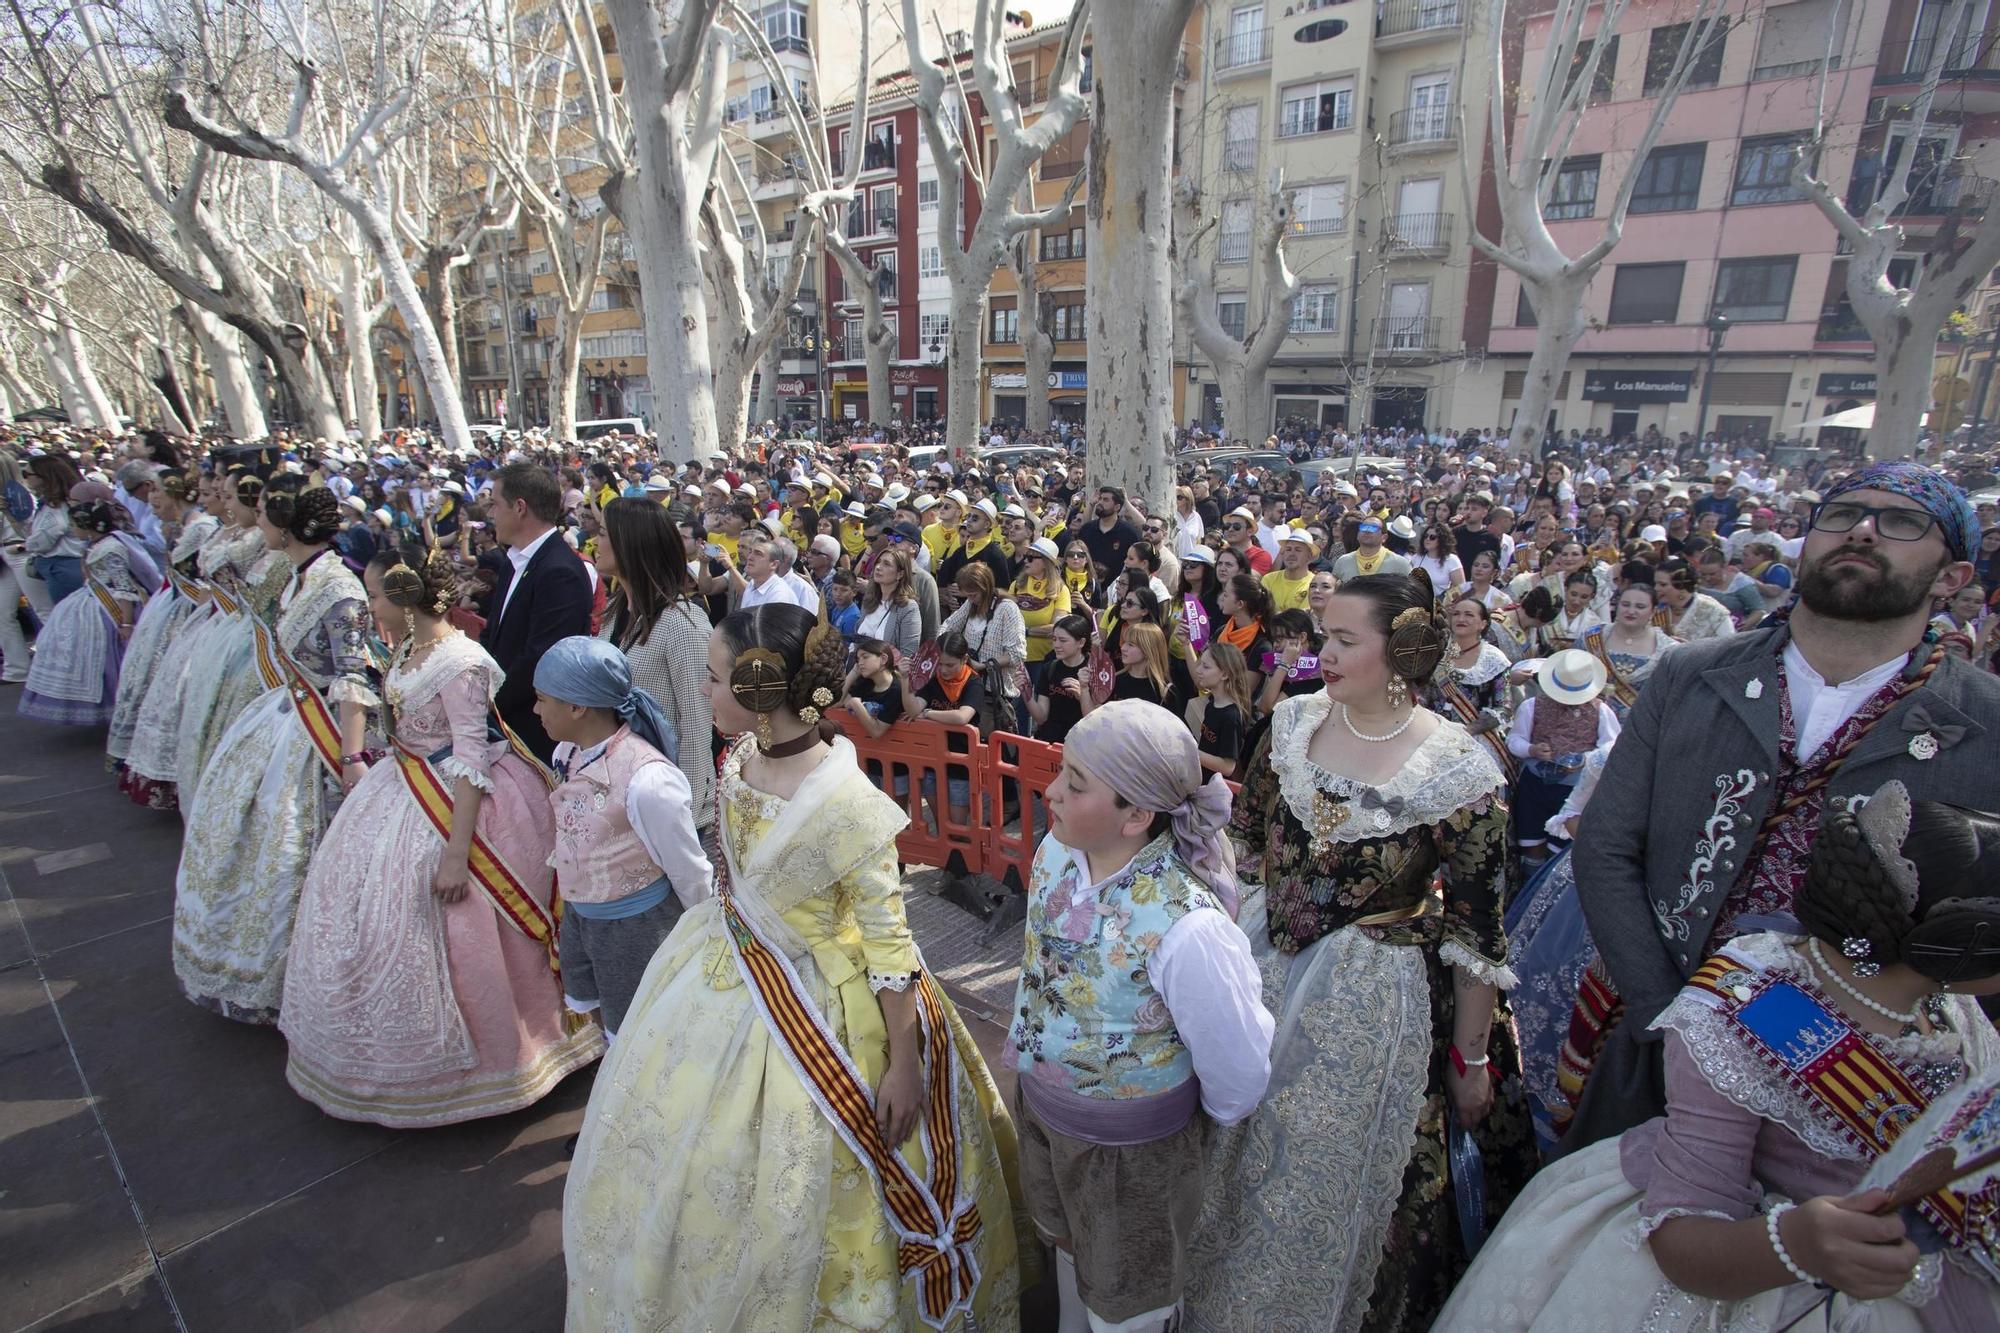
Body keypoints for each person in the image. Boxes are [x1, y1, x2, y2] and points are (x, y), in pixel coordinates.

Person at [563, 602, 1025, 1330]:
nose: (704, 693)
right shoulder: (741, 757)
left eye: (714, 679)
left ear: (755, 691)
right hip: (731, 963)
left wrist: (903, 1065)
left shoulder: (850, 806)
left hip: (831, 1010)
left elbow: (890, 947)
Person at [1437, 782, 2000, 1330]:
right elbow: (1686, 1234)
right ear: (1954, 941)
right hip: (1756, 1271)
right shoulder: (1748, 1004)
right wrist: (1797, 1244)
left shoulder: (1950, 1009)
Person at [1568, 461, 2000, 1152]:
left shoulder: (1985, 723)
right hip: (1659, 1046)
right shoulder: (1693, 673)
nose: (1861, 529)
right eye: (1843, 512)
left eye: (1900, 522)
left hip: (1864, 1095)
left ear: (1952, 576)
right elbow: (1607, 846)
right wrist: (1665, 1014)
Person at [1186, 573, 1534, 1332]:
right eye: (1323, 637)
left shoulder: (1458, 769)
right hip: (1261, 959)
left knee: (1317, 1174)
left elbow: (1478, 934)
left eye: (1345, 640)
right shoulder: (1293, 723)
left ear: (1405, 647)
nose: (1324, 654)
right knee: (1224, 1149)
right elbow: (1243, 843)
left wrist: (1471, 1061)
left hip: (1370, 999)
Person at [280, 548, 604, 1125]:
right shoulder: (408, 647)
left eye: (376, 595)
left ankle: (513, 1056)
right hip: (402, 789)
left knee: (476, 933)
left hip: (463, 807)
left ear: (404, 601)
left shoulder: (460, 663)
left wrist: (457, 856)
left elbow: (472, 756)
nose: (368, 605)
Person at [1008, 699, 1273, 1333]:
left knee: (1129, 1308)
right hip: (1046, 1117)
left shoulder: (1187, 925)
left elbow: (1237, 1075)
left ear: (1137, 815)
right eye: (1061, 772)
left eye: (1076, 783)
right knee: (1071, 1270)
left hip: (1133, 1157)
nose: (1051, 792)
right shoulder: (1055, 854)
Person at [174, 486, 373, 1023]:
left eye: (262, 515)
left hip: (322, 734)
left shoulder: (339, 588)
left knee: (297, 847)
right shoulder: (298, 578)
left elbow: (353, 676)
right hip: (285, 723)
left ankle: (314, 975)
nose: (256, 523)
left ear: (286, 528)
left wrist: (352, 759)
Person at [532, 635, 714, 1041]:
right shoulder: (569, 752)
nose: (535, 709)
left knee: (642, 1033)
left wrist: (702, 932)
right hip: (585, 916)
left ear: (578, 706)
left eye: (543, 699)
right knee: (602, 1020)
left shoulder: (647, 779)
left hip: (637, 931)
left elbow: (687, 868)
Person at [593, 497, 716, 825]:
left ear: (629, 544)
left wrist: (682, 815)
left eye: (603, 534)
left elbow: (696, 726)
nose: (595, 541)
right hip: (625, 790)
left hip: (666, 800)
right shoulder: (615, 613)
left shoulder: (682, 624)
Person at [108, 473, 216, 800]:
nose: (150, 497)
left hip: (195, 612)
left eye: (156, 489)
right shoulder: (183, 526)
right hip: (177, 608)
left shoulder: (202, 528)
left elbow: (208, 583)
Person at [481, 462, 595, 763]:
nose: (490, 514)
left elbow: (541, 658)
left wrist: (488, 704)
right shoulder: (513, 562)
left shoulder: (560, 571)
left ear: (519, 507)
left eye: (495, 504)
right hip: (500, 725)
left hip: (532, 733)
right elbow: (495, 635)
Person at [19, 488, 157, 726]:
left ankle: (125, 708)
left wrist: (126, 623)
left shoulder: (111, 548)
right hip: (92, 601)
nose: (72, 530)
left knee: (115, 660)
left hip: (109, 609)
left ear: (88, 525)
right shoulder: (97, 545)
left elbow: (125, 587)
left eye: (75, 525)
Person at [1507, 649, 1621, 871]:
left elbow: (1612, 748)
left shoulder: (1601, 711)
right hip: (1536, 784)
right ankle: (1531, 881)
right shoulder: (1532, 706)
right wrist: (1532, 749)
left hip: (1574, 789)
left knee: (1563, 845)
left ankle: (1552, 885)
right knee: (1532, 839)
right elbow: (1514, 739)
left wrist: (1586, 759)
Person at [941, 562, 1027, 734]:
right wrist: (946, 648)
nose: (970, 599)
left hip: (995, 692)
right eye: (967, 595)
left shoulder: (1007, 609)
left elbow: (1017, 653)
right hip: (969, 684)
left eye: (973, 594)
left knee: (985, 741)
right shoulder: (971, 604)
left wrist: (984, 665)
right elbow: (948, 627)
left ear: (985, 587)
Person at [1577, 580, 1678, 720]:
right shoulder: (1591, 637)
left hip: (1639, 725)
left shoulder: (1668, 650)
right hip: (1587, 721)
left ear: (1653, 611)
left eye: (1640, 607)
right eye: (1625, 605)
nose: (1631, 611)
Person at [22, 454, 88, 606]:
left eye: (27, 474)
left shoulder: (59, 506)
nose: (25, 478)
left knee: (66, 614)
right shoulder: (49, 503)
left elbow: (43, 540)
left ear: (44, 476)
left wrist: (27, 544)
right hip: (58, 567)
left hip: (64, 568)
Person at [1027, 613, 1092, 745]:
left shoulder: (1093, 670)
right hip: (1050, 742)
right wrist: (1025, 693)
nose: (1056, 645)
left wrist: (1083, 694)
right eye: (1054, 639)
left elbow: (1095, 720)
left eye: (1063, 640)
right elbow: (1041, 718)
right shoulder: (1049, 668)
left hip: (1080, 745)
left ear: (1081, 642)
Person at [1193, 640, 1254, 776]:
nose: (1198, 670)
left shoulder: (1231, 717)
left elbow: (1227, 767)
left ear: (1225, 675)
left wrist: (1191, 751)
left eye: (1206, 667)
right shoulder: (1212, 704)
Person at [854, 542, 923, 663]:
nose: (878, 567)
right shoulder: (869, 600)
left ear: (900, 574)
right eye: (878, 562)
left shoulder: (908, 608)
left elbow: (908, 655)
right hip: (859, 670)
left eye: (886, 564)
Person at [1012, 536, 1072, 670]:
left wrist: (1025, 631)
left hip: (1042, 659)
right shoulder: (1016, 585)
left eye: (1031, 558)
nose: (1026, 560)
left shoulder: (1060, 590)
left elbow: (1058, 627)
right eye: (1026, 556)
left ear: (1046, 562)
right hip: (1014, 656)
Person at [1654, 556, 1737, 642]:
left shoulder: (1713, 611)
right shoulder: (1653, 609)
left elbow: (1729, 646)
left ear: (1681, 586)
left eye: (1663, 585)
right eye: (1656, 583)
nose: (1656, 588)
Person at [1332, 516, 1412, 580]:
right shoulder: (1343, 561)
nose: (1367, 531)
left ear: (1384, 537)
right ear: (1357, 535)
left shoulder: (1400, 564)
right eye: (1364, 527)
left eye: (1373, 528)